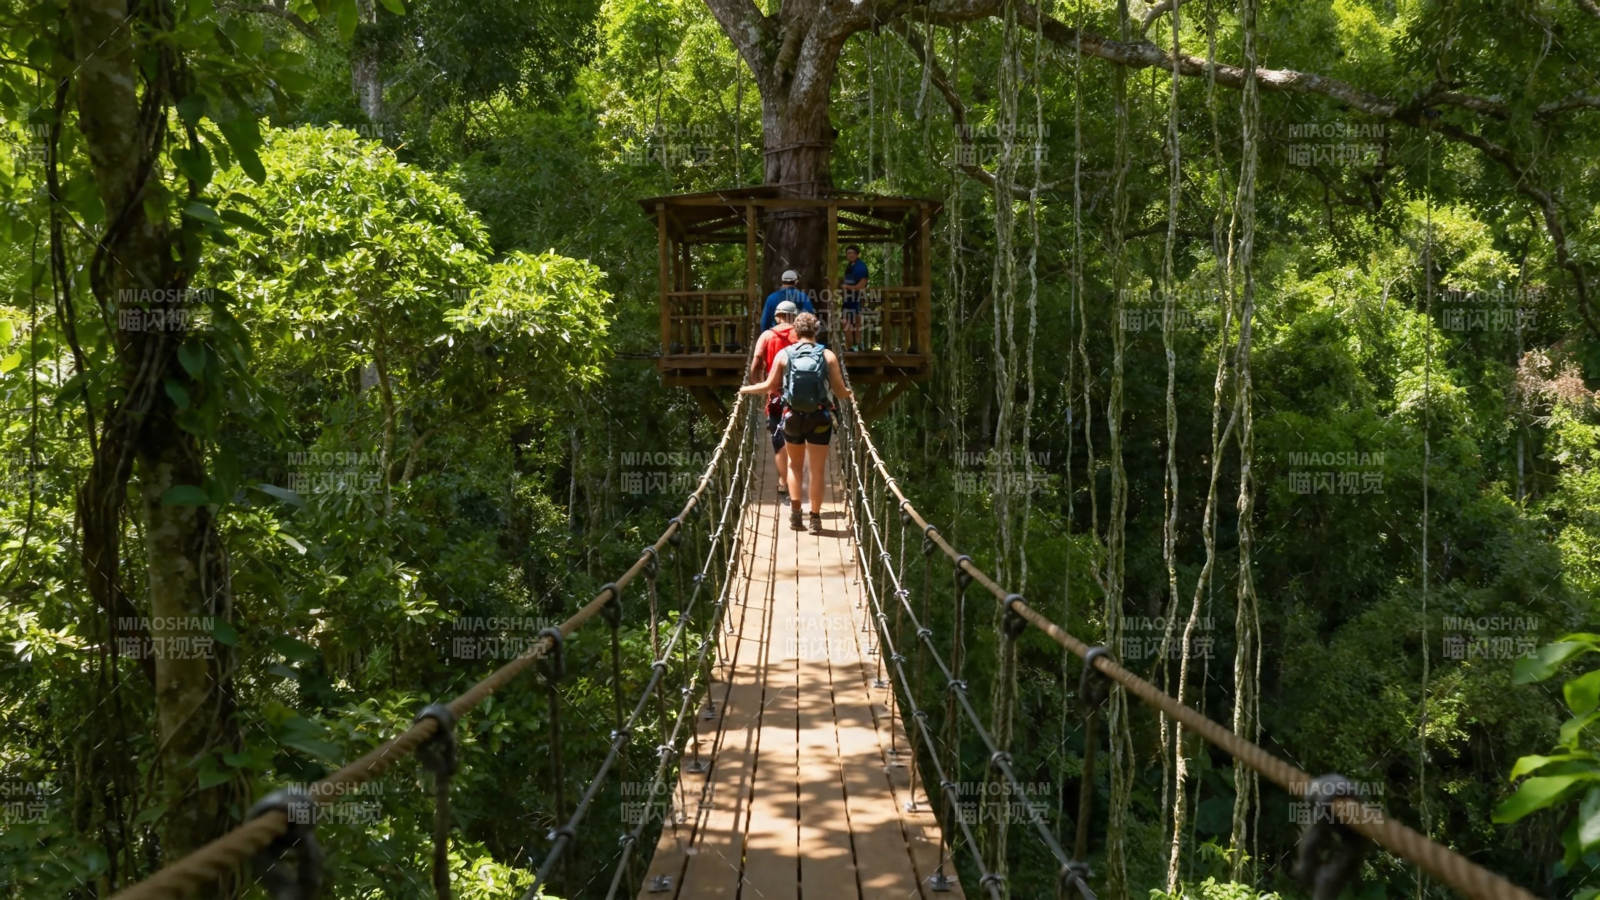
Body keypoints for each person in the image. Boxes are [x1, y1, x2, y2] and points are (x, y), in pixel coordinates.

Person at [739, 312, 854, 533]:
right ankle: (815, 519)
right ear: (816, 331)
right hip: (820, 417)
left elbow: (769, 387)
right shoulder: (827, 355)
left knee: (794, 465)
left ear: (795, 331)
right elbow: (839, 391)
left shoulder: (785, 354)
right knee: (818, 470)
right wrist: (850, 394)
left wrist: (745, 389)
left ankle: (795, 514)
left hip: (792, 417)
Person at [749, 299, 800, 500]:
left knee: (779, 442)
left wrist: (762, 387)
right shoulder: (802, 337)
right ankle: (794, 484)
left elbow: (755, 367)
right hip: (800, 398)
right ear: (794, 316)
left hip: (776, 398)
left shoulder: (766, 336)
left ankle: (783, 483)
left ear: (777, 316)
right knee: (796, 441)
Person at [839, 245, 869, 351]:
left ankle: (856, 345)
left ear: (857, 254)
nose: (850, 255)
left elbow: (861, 286)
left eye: (852, 253)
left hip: (857, 299)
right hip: (847, 299)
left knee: (855, 322)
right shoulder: (850, 266)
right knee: (847, 323)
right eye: (848, 253)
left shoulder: (861, 267)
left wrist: (846, 287)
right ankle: (851, 347)